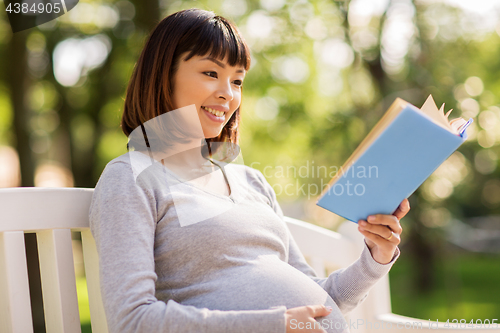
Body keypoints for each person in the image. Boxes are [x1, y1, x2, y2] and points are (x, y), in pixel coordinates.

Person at [89, 8, 409, 333]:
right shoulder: (131, 177)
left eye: (237, 80)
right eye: (211, 73)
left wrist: (376, 256)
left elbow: (321, 301)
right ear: (163, 75)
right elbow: (132, 320)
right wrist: (272, 324)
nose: (228, 94)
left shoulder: (250, 181)